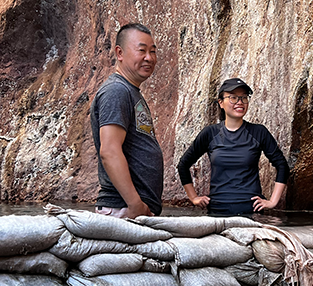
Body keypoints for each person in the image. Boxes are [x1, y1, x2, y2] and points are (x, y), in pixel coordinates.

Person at [177, 78, 290, 216]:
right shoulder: (210, 133)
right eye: (233, 98)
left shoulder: (259, 132)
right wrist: (193, 197)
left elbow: (282, 165)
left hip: (251, 212)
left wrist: (272, 202)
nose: (240, 102)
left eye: (243, 98)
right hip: (217, 212)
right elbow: (183, 165)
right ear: (221, 103)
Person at [90, 23, 163, 218]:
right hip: (124, 208)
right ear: (119, 53)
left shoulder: (130, 92)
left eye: (152, 51)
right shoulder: (116, 91)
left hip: (133, 209)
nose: (149, 58)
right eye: (142, 51)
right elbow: (109, 151)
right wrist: (135, 204)